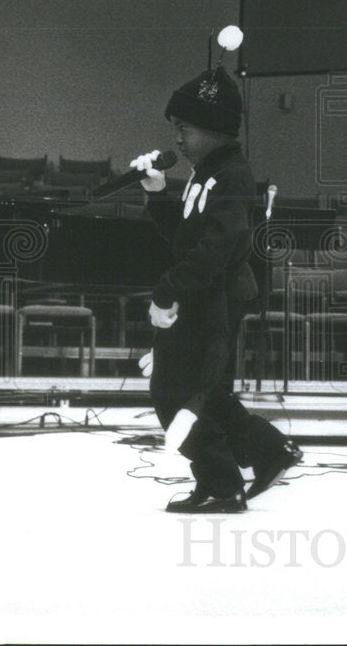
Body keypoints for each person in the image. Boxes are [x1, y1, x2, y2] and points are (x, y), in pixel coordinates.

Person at [132, 64, 301, 514]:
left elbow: (217, 247)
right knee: (201, 391)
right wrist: (156, 194)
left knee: (173, 393)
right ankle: (268, 451)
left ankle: (222, 484)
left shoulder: (231, 175)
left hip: (216, 297)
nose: (177, 138)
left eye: (184, 128)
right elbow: (184, 238)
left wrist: (168, 290)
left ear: (213, 128)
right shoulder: (206, 172)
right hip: (206, 293)